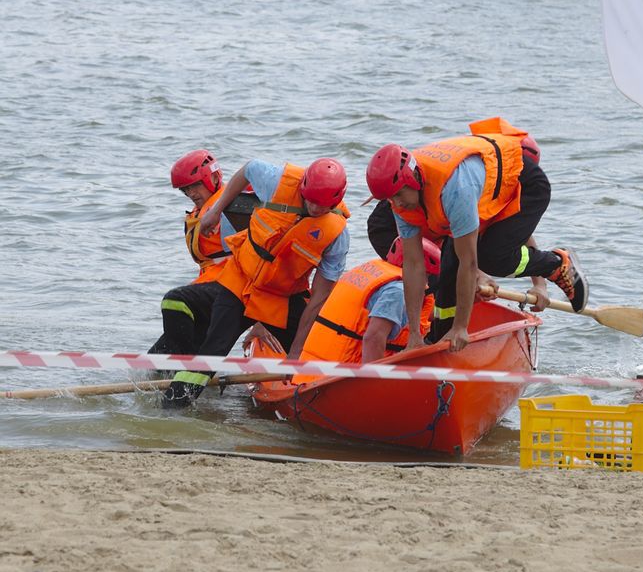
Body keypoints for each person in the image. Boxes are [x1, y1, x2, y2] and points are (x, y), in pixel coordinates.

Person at [364, 117, 588, 352]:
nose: (396, 203)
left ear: (413, 179)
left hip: (528, 185)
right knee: (448, 269)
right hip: (462, 195)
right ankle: (438, 338)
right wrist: (414, 336)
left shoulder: (457, 190)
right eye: (390, 198)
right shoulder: (401, 200)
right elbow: (413, 264)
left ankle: (557, 264)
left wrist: (462, 326)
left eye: (398, 195)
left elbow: (473, 260)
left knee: (491, 257)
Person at [161, 156, 350, 408]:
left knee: (313, 349)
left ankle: (324, 399)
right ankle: (172, 409)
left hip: (280, 298)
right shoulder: (277, 180)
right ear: (303, 187)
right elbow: (247, 170)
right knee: (214, 349)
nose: (315, 209)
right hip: (241, 281)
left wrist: (296, 352)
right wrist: (215, 212)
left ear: (336, 201)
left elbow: (318, 299)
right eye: (311, 201)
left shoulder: (337, 236)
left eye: (322, 206)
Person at [149, 149, 258, 358]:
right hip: (208, 288)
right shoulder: (199, 212)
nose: (191, 193)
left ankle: (187, 364)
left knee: (175, 300)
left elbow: (264, 255)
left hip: (232, 289)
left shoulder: (235, 206)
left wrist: (261, 322)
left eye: (195, 185)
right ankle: (176, 366)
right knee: (156, 358)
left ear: (214, 178)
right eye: (186, 189)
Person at [292, 237, 439, 380]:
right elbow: (373, 338)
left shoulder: (372, 270)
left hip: (311, 373)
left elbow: (422, 314)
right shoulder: (398, 291)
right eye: (426, 274)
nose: (426, 281)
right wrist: (374, 385)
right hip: (334, 381)